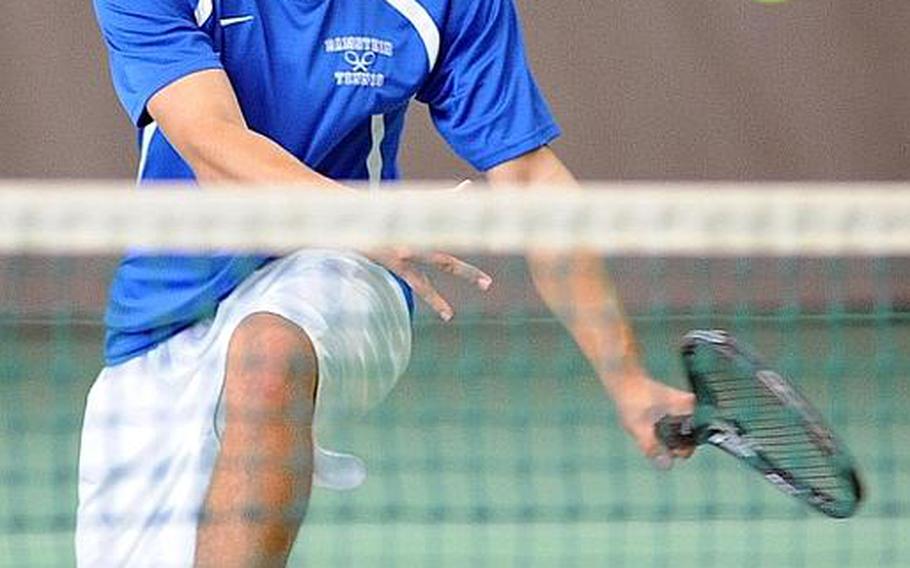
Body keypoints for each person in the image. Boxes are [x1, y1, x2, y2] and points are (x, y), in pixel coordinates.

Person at [80, 0, 695, 565]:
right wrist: (362, 218)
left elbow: (530, 179)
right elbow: (212, 142)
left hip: (341, 271)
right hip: (169, 306)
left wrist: (628, 378)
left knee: (269, 351)